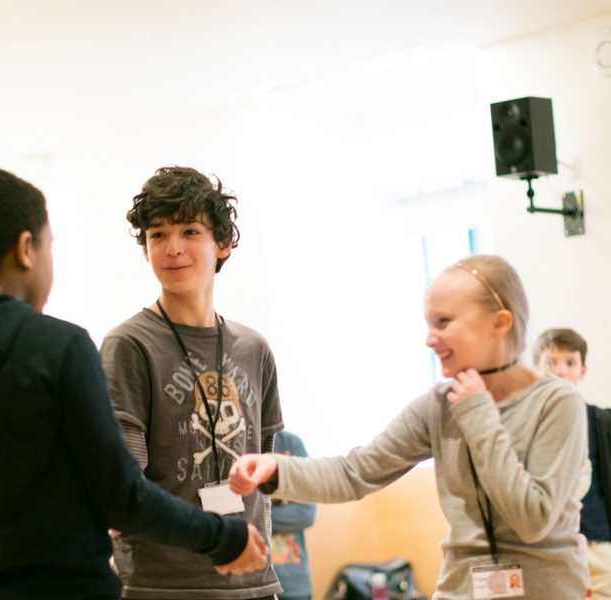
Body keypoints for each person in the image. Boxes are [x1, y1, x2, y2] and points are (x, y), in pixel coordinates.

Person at [0, 167, 268, 600]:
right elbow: (121, 495)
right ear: (27, 249)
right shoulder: (60, 349)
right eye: (49, 246)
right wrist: (224, 537)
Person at [229, 255, 589, 599]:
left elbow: (533, 518)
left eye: (444, 322)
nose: (430, 339)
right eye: (428, 324)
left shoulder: (558, 403)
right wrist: (277, 469)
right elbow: (357, 471)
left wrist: (479, 415)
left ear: (500, 322)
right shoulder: (439, 404)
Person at [101, 165, 284, 599]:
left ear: (222, 244)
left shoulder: (252, 347)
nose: (172, 248)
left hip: (254, 579)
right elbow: (125, 484)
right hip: (162, 583)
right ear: (145, 249)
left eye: (189, 231)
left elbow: (266, 470)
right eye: (158, 235)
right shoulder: (129, 345)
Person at [533, 328, 611, 599]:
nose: (561, 371)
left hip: (597, 538)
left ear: (583, 371)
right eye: (551, 363)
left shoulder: (601, 420)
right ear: (537, 368)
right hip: (550, 545)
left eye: (570, 363)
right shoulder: (528, 424)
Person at [270, 431, 315, 600]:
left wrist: (254, 517)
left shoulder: (290, 444)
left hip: (293, 585)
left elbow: (306, 512)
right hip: (245, 585)